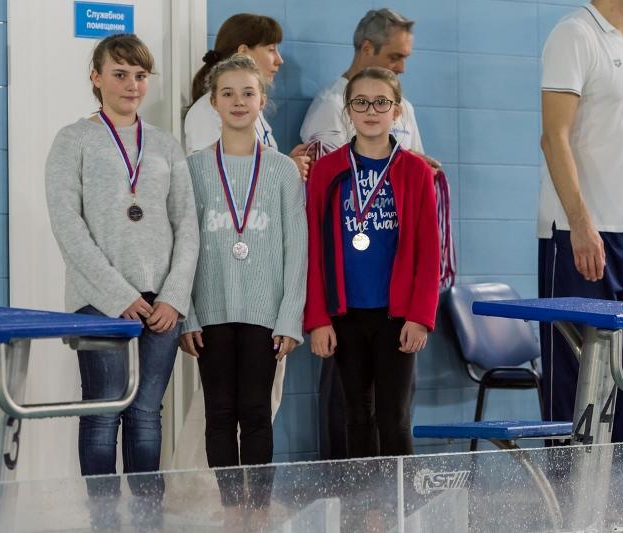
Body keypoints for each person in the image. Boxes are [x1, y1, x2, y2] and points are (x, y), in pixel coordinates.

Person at [45, 33, 199, 526]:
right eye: (120, 74)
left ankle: (148, 519)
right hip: (100, 300)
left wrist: (174, 297)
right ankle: (104, 520)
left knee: (147, 414)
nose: (132, 85)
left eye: (140, 75)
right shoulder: (74, 140)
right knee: (103, 412)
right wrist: (119, 295)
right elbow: (68, 226)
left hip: (162, 303)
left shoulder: (165, 145)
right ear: (96, 77)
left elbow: (187, 225)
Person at [299, 7, 438, 460]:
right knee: (355, 415)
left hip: (397, 314)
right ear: (348, 111)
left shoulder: (415, 172)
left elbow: (429, 251)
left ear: (397, 111)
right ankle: (360, 501)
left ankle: (399, 499)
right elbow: (314, 251)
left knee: (394, 417)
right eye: (360, 103)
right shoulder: (327, 172)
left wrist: (421, 315)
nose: (371, 111)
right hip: (345, 313)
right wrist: (318, 318)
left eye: (381, 103)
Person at [173, 13, 310, 471]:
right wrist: (188, 314)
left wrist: (290, 317)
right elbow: (182, 249)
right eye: (228, 94)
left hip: (265, 315)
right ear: (212, 101)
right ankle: (229, 506)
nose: (238, 102)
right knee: (218, 415)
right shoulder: (194, 169)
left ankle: (257, 506)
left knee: (256, 415)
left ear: (262, 101)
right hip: (210, 311)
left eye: (247, 93)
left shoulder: (282, 170)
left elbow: (297, 250)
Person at [538, 0, 623, 443]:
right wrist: (580, 223)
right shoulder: (574, 34)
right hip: (581, 232)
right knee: (575, 384)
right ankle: (568, 486)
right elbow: (554, 138)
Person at [300, 8, 438, 169]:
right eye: (394, 57)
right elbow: (331, 175)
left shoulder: (404, 107)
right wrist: (401, 161)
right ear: (367, 48)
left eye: (405, 58)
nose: (402, 69)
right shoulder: (331, 105)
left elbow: (417, 171)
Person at [184, 13, 312, 178]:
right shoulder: (208, 112)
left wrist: (284, 162)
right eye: (271, 49)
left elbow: (252, 166)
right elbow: (212, 177)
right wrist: (284, 171)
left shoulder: (249, 108)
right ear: (243, 52)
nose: (279, 60)